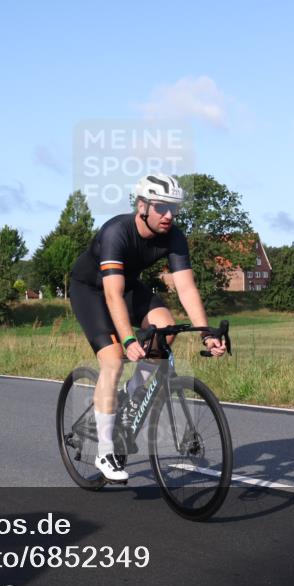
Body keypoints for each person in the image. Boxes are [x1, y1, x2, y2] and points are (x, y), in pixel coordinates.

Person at [69, 173, 227, 483]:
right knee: (113, 360)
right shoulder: (117, 232)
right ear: (142, 206)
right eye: (161, 207)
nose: (169, 215)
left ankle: (132, 393)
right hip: (91, 290)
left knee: (166, 328)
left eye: (174, 208)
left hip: (126, 287)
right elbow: (111, 295)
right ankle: (105, 451)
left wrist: (206, 333)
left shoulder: (174, 236)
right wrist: (128, 339)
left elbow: (186, 289)